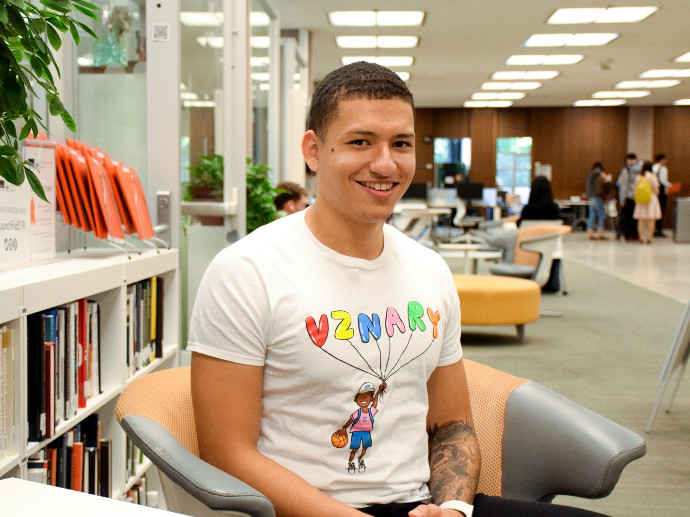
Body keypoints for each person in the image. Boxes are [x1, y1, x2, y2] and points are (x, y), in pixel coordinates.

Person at [188, 62, 607, 517]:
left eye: (401, 144)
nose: (385, 164)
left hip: (423, 505)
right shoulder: (247, 271)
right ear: (314, 150)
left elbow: (453, 424)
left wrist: (452, 509)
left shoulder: (429, 269)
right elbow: (226, 451)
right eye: (360, 142)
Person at [517, 175, 562, 293]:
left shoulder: (528, 209)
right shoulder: (555, 208)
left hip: (527, 249)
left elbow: (519, 226)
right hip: (550, 249)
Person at [633, 161, 662, 244]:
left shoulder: (638, 177)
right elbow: (656, 190)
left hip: (641, 200)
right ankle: (649, 237)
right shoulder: (653, 177)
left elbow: (635, 189)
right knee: (651, 219)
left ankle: (641, 237)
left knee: (641, 219)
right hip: (651, 199)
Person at [616, 154, 641, 242]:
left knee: (627, 216)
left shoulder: (627, 169)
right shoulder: (641, 169)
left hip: (629, 196)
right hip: (639, 196)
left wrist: (622, 199)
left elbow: (624, 185)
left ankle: (628, 234)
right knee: (636, 217)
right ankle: (636, 234)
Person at [584, 162, 612, 240]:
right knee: (602, 215)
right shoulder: (599, 173)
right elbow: (606, 182)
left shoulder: (590, 175)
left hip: (590, 198)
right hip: (597, 197)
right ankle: (600, 233)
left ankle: (590, 233)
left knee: (591, 215)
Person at [652, 154, 671, 237]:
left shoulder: (653, 167)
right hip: (661, 192)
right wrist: (671, 185)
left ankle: (653, 229)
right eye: (664, 159)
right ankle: (659, 230)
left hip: (654, 191)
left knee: (655, 211)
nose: (665, 161)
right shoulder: (663, 168)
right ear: (661, 160)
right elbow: (663, 180)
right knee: (661, 211)